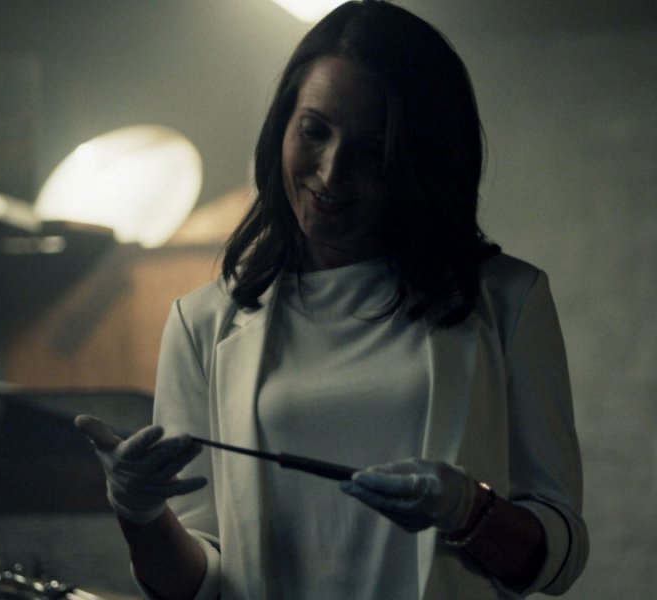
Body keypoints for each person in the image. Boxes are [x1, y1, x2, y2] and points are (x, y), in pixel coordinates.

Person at [75, 1, 589, 598]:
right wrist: (138, 514)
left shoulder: (508, 301)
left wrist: (469, 511)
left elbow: (559, 559)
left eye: (371, 149)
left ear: (421, 158)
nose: (331, 173)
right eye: (314, 131)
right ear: (282, 127)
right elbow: (199, 584)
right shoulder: (202, 324)